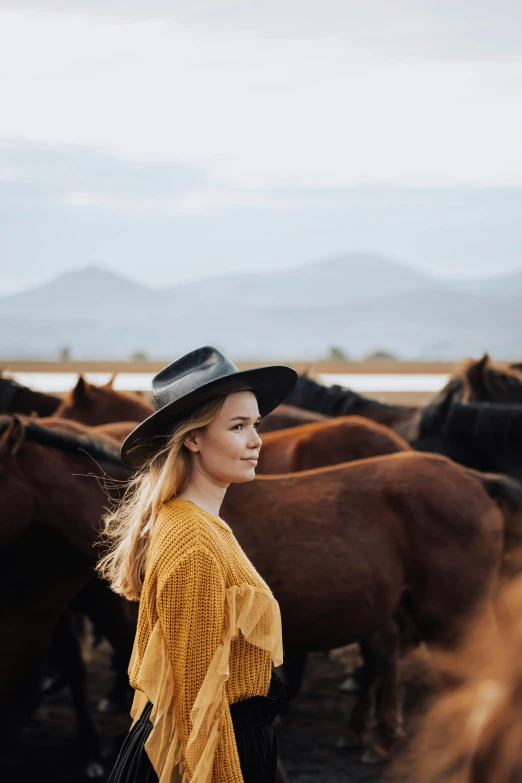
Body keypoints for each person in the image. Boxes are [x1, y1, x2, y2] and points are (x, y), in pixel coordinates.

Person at [97, 346, 298, 783]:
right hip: (210, 754)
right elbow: (196, 707)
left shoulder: (196, 523)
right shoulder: (194, 544)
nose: (256, 440)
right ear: (192, 438)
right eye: (238, 426)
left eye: (256, 425)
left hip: (227, 741)